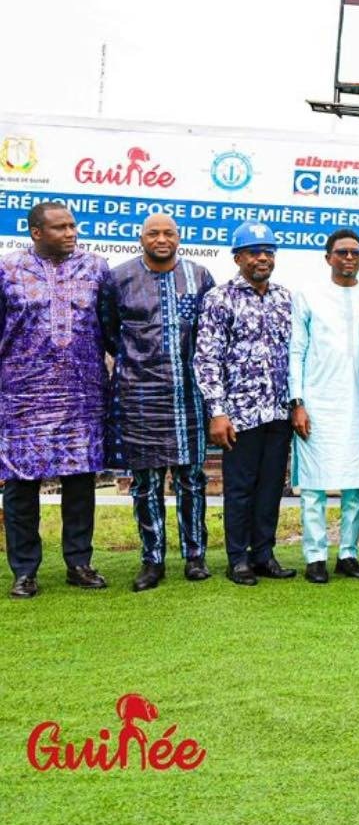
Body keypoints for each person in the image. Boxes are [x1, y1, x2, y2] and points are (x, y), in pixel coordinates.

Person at [1, 203, 113, 598]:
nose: (71, 233)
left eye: (73, 226)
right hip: (21, 396)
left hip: (82, 395)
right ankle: (25, 570)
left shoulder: (96, 268)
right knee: (21, 483)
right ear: (35, 232)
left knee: (80, 480)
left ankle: (79, 563)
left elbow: (109, 327)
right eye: (60, 227)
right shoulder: (8, 270)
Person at [104, 211, 215, 591]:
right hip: (139, 394)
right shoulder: (119, 278)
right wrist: (139, 363)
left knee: (191, 479)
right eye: (154, 233)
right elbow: (109, 331)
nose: (161, 239)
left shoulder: (198, 276)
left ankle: (195, 555)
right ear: (141, 237)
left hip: (188, 393)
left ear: (179, 237)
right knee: (146, 484)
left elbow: (209, 333)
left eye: (169, 232)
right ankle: (152, 561)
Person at [194, 221, 296, 586]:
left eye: (268, 251)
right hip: (239, 415)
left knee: (271, 487)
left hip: (278, 411)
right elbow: (207, 358)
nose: (263, 258)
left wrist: (296, 402)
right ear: (238, 257)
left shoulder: (285, 298)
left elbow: (295, 354)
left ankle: (264, 554)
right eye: (254, 252)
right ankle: (238, 558)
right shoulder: (220, 298)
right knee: (240, 489)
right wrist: (217, 412)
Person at [288, 229, 359, 584]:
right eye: (342, 252)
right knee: (314, 486)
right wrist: (298, 402)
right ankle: (315, 556)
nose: (349, 258)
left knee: (355, 486)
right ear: (328, 258)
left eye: (355, 252)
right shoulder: (308, 295)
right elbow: (296, 350)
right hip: (318, 401)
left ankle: (349, 553)